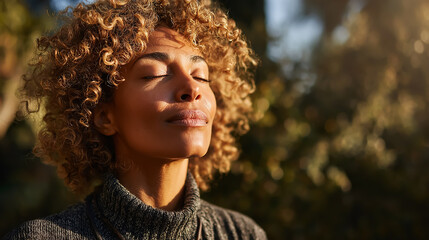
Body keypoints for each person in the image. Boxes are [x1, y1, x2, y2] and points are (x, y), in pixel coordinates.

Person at [4, 0, 266, 239]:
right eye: (155, 74)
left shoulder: (242, 234)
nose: (192, 88)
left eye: (200, 75)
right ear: (105, 117)